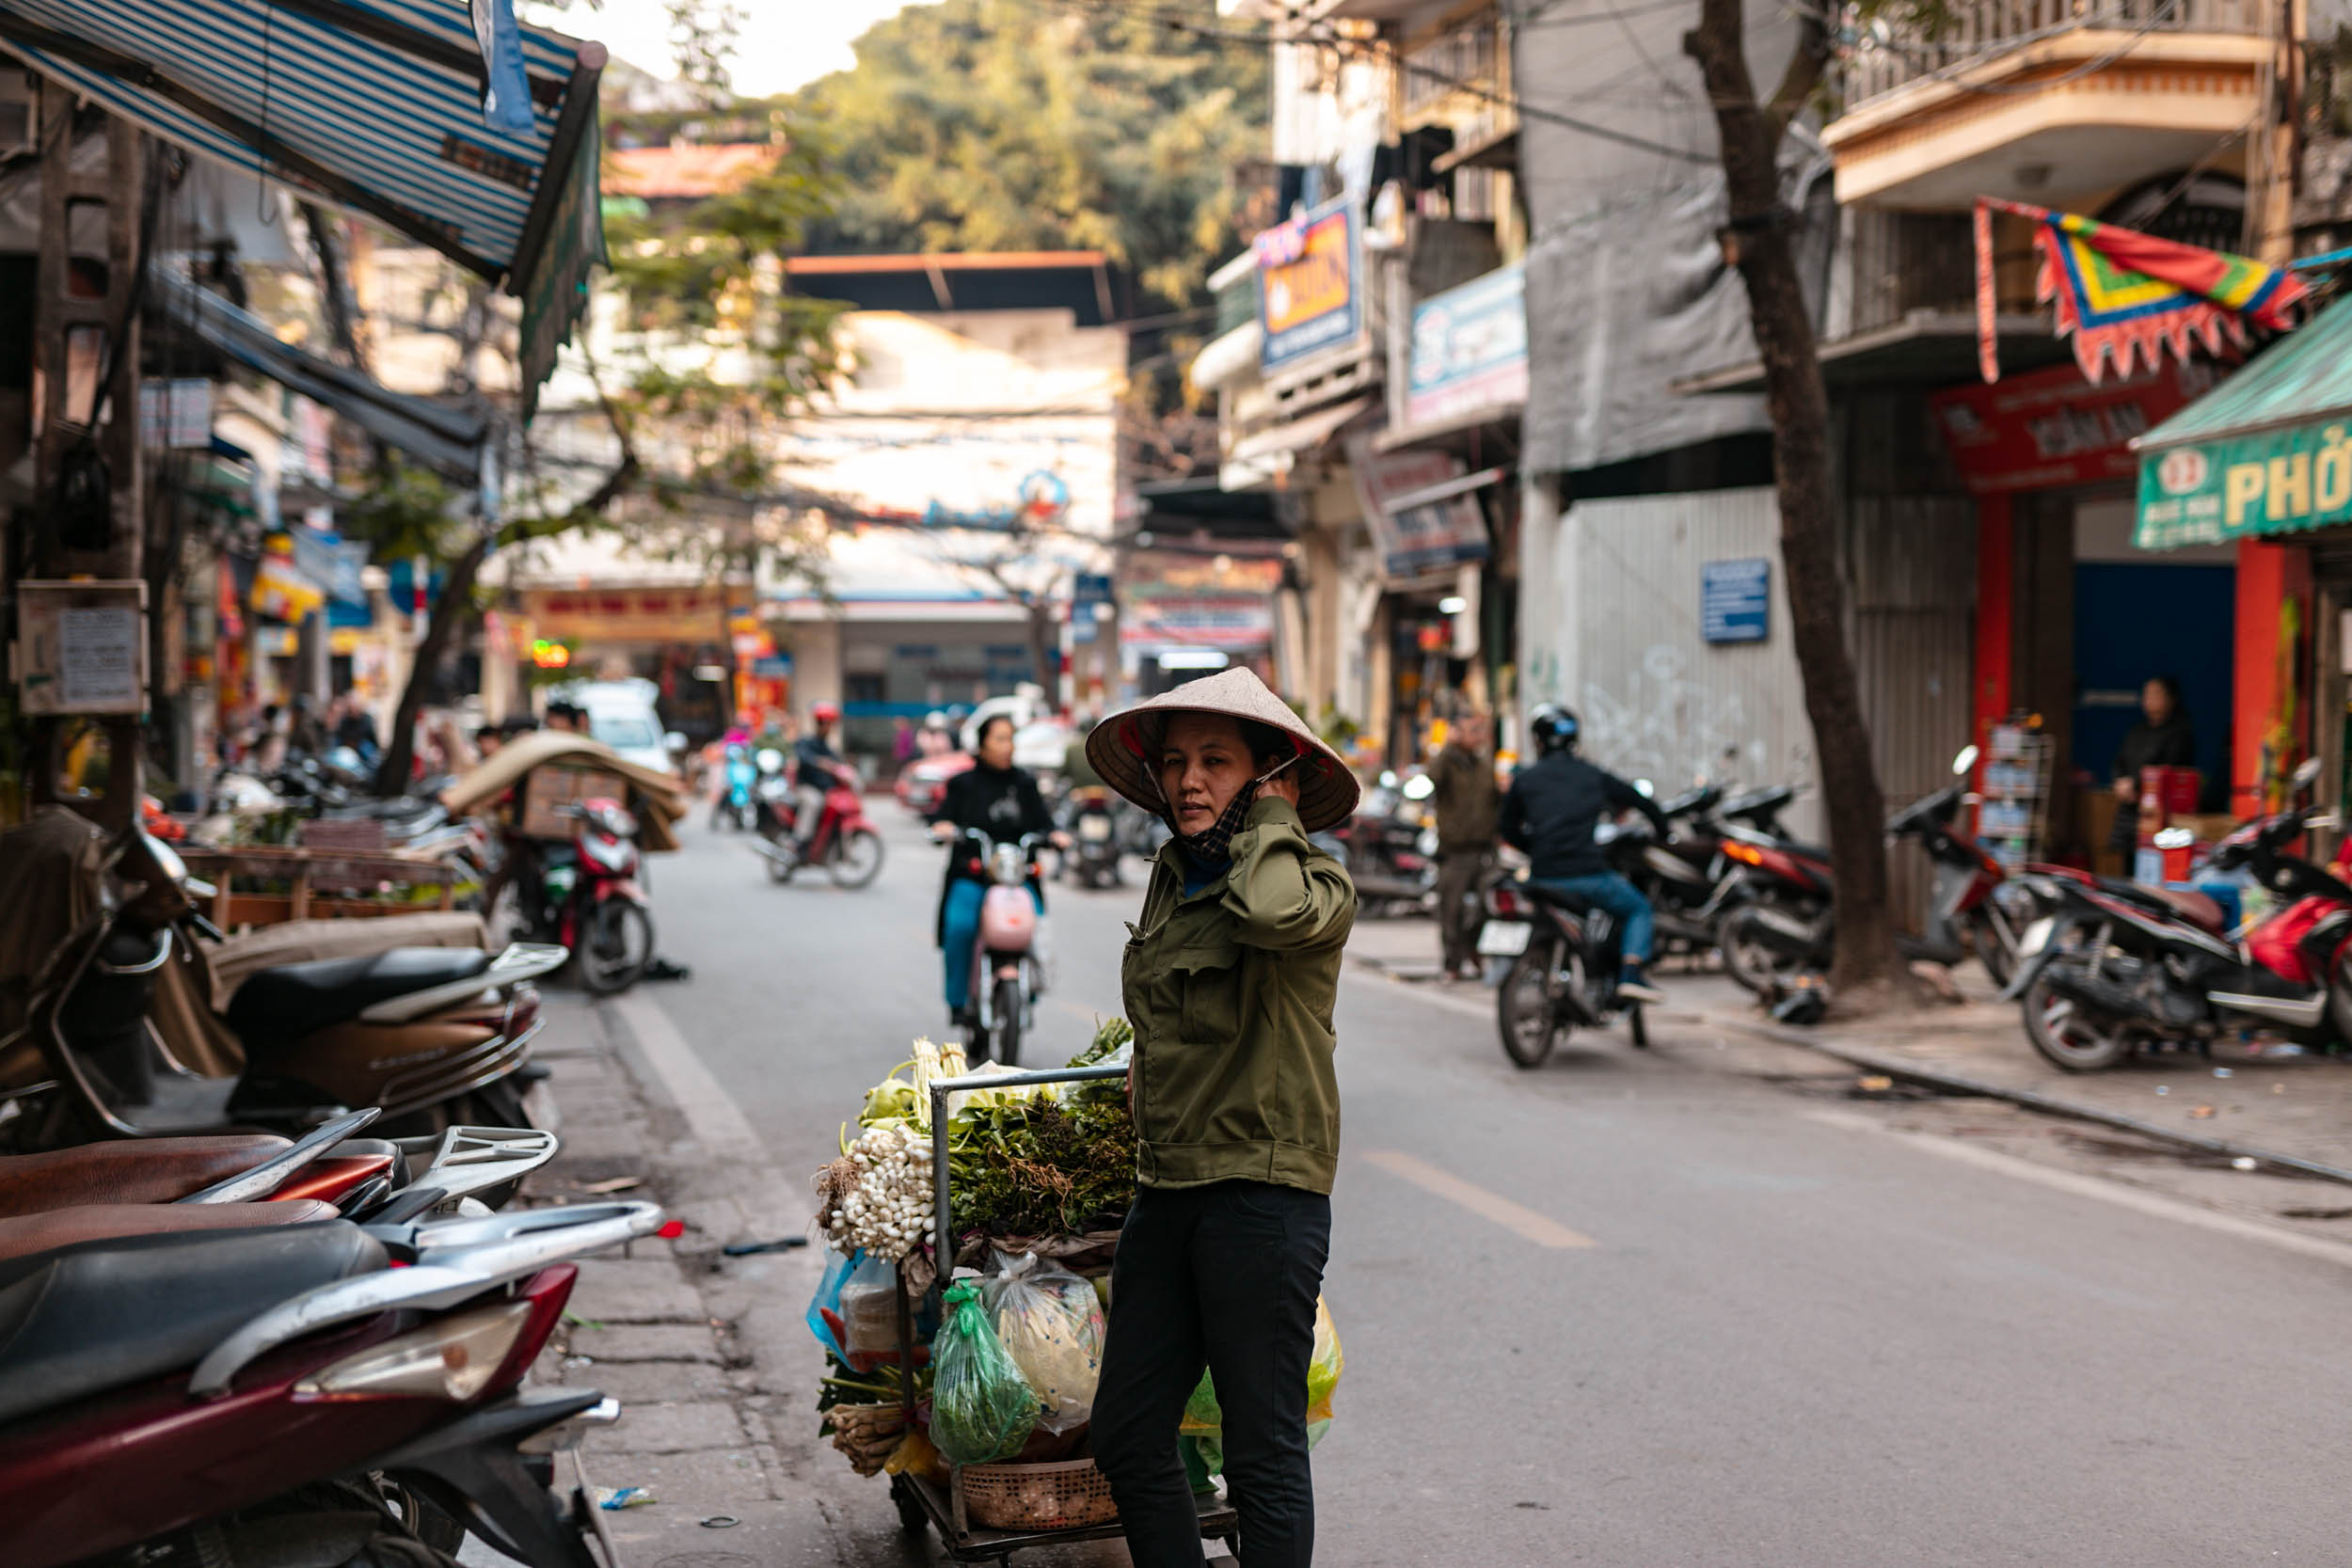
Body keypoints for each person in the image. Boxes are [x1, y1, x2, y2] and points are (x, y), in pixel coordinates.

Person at [1080, 668, 1359, 1568]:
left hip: (1261, 1198)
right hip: (1166, 1189)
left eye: (1217, 761)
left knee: (1261, 1452)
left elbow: (1268, 911)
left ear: (1269, 774)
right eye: (1174, 762)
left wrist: (1276, 821)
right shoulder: (1173, 876)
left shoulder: (1315, 888)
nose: (1189, 781)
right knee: (1126, 1431)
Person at [1498, 704, 1671, 1005]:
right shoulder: (1591, 775)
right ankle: (1630, 972)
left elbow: (1506, 828)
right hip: (1586, 875)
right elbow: (1643, 802)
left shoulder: (1525, 779)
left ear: (1537, 741)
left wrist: (1535, 848)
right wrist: (1663, 831)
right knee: (1638, 909)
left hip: (1543, 875)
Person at [928, 714, 1062, 1025]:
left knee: (1036, 926)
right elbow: (940, 818)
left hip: (1017, 876)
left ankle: (1029, 990)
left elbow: (1045, 822)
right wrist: (944, 827)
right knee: (960, 927)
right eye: (999, 738)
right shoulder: (963, 783)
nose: (1007, 746)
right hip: (972, 873)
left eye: (1010, 738)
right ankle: (958, 1001)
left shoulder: (1025, 783)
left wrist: (1055, 835)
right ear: (982, 744)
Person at [1429, 709, 1501, 980]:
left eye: (1480, 730)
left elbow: (1496, 800)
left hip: (1485, 849)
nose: (1478, 736)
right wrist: (1448, 746)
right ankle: (1452, 964)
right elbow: (1431, 779)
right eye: (1472, 730)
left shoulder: (1486, 764)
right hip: (1455, 851)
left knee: (1490, 904)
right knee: (1452, 909)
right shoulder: (1447, 762)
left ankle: (1474, 949)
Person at [2107, 674, 2197, 859]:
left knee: (2153, 858)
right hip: (2131, 807)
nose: (2150, 699)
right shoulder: (2136, 731)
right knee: (2127, 858)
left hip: (2160, 810)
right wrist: (2120, 783)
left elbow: (2170, 767)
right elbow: (2119, 761)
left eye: (2156, 694)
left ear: (2171, 699)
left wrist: (2136, 785)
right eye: (2147, 694)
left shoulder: (2179, 733)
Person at [791, 701, 853, 855]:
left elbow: (838, 762)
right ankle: (800, 840)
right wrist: (819, 762)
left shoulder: (827, 748)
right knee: (814, 802)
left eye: (830, 725)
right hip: (805, 788)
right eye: (826, 724)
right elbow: (803, 757)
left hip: (825, 790)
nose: (828, 728)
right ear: (819, 724)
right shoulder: (806, 742)